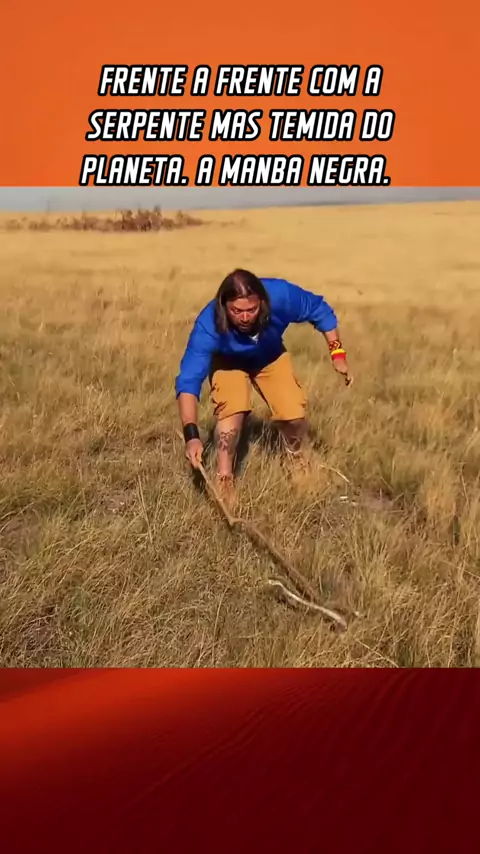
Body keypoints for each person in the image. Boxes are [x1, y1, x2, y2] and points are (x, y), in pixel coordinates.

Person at [175, 269, 352, 497]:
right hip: (228, 362)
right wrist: (191, 436)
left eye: (252, 310)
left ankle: (296, 457)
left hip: (269, 356)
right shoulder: (208, 326)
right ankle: (225, 477)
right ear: (223, 305)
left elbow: (320, 311)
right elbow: (188, 382)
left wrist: (338, 354)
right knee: (232, 412)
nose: (245, 318)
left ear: (263, 302)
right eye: (237, 311)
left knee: (293, 413)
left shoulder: (281, 295)